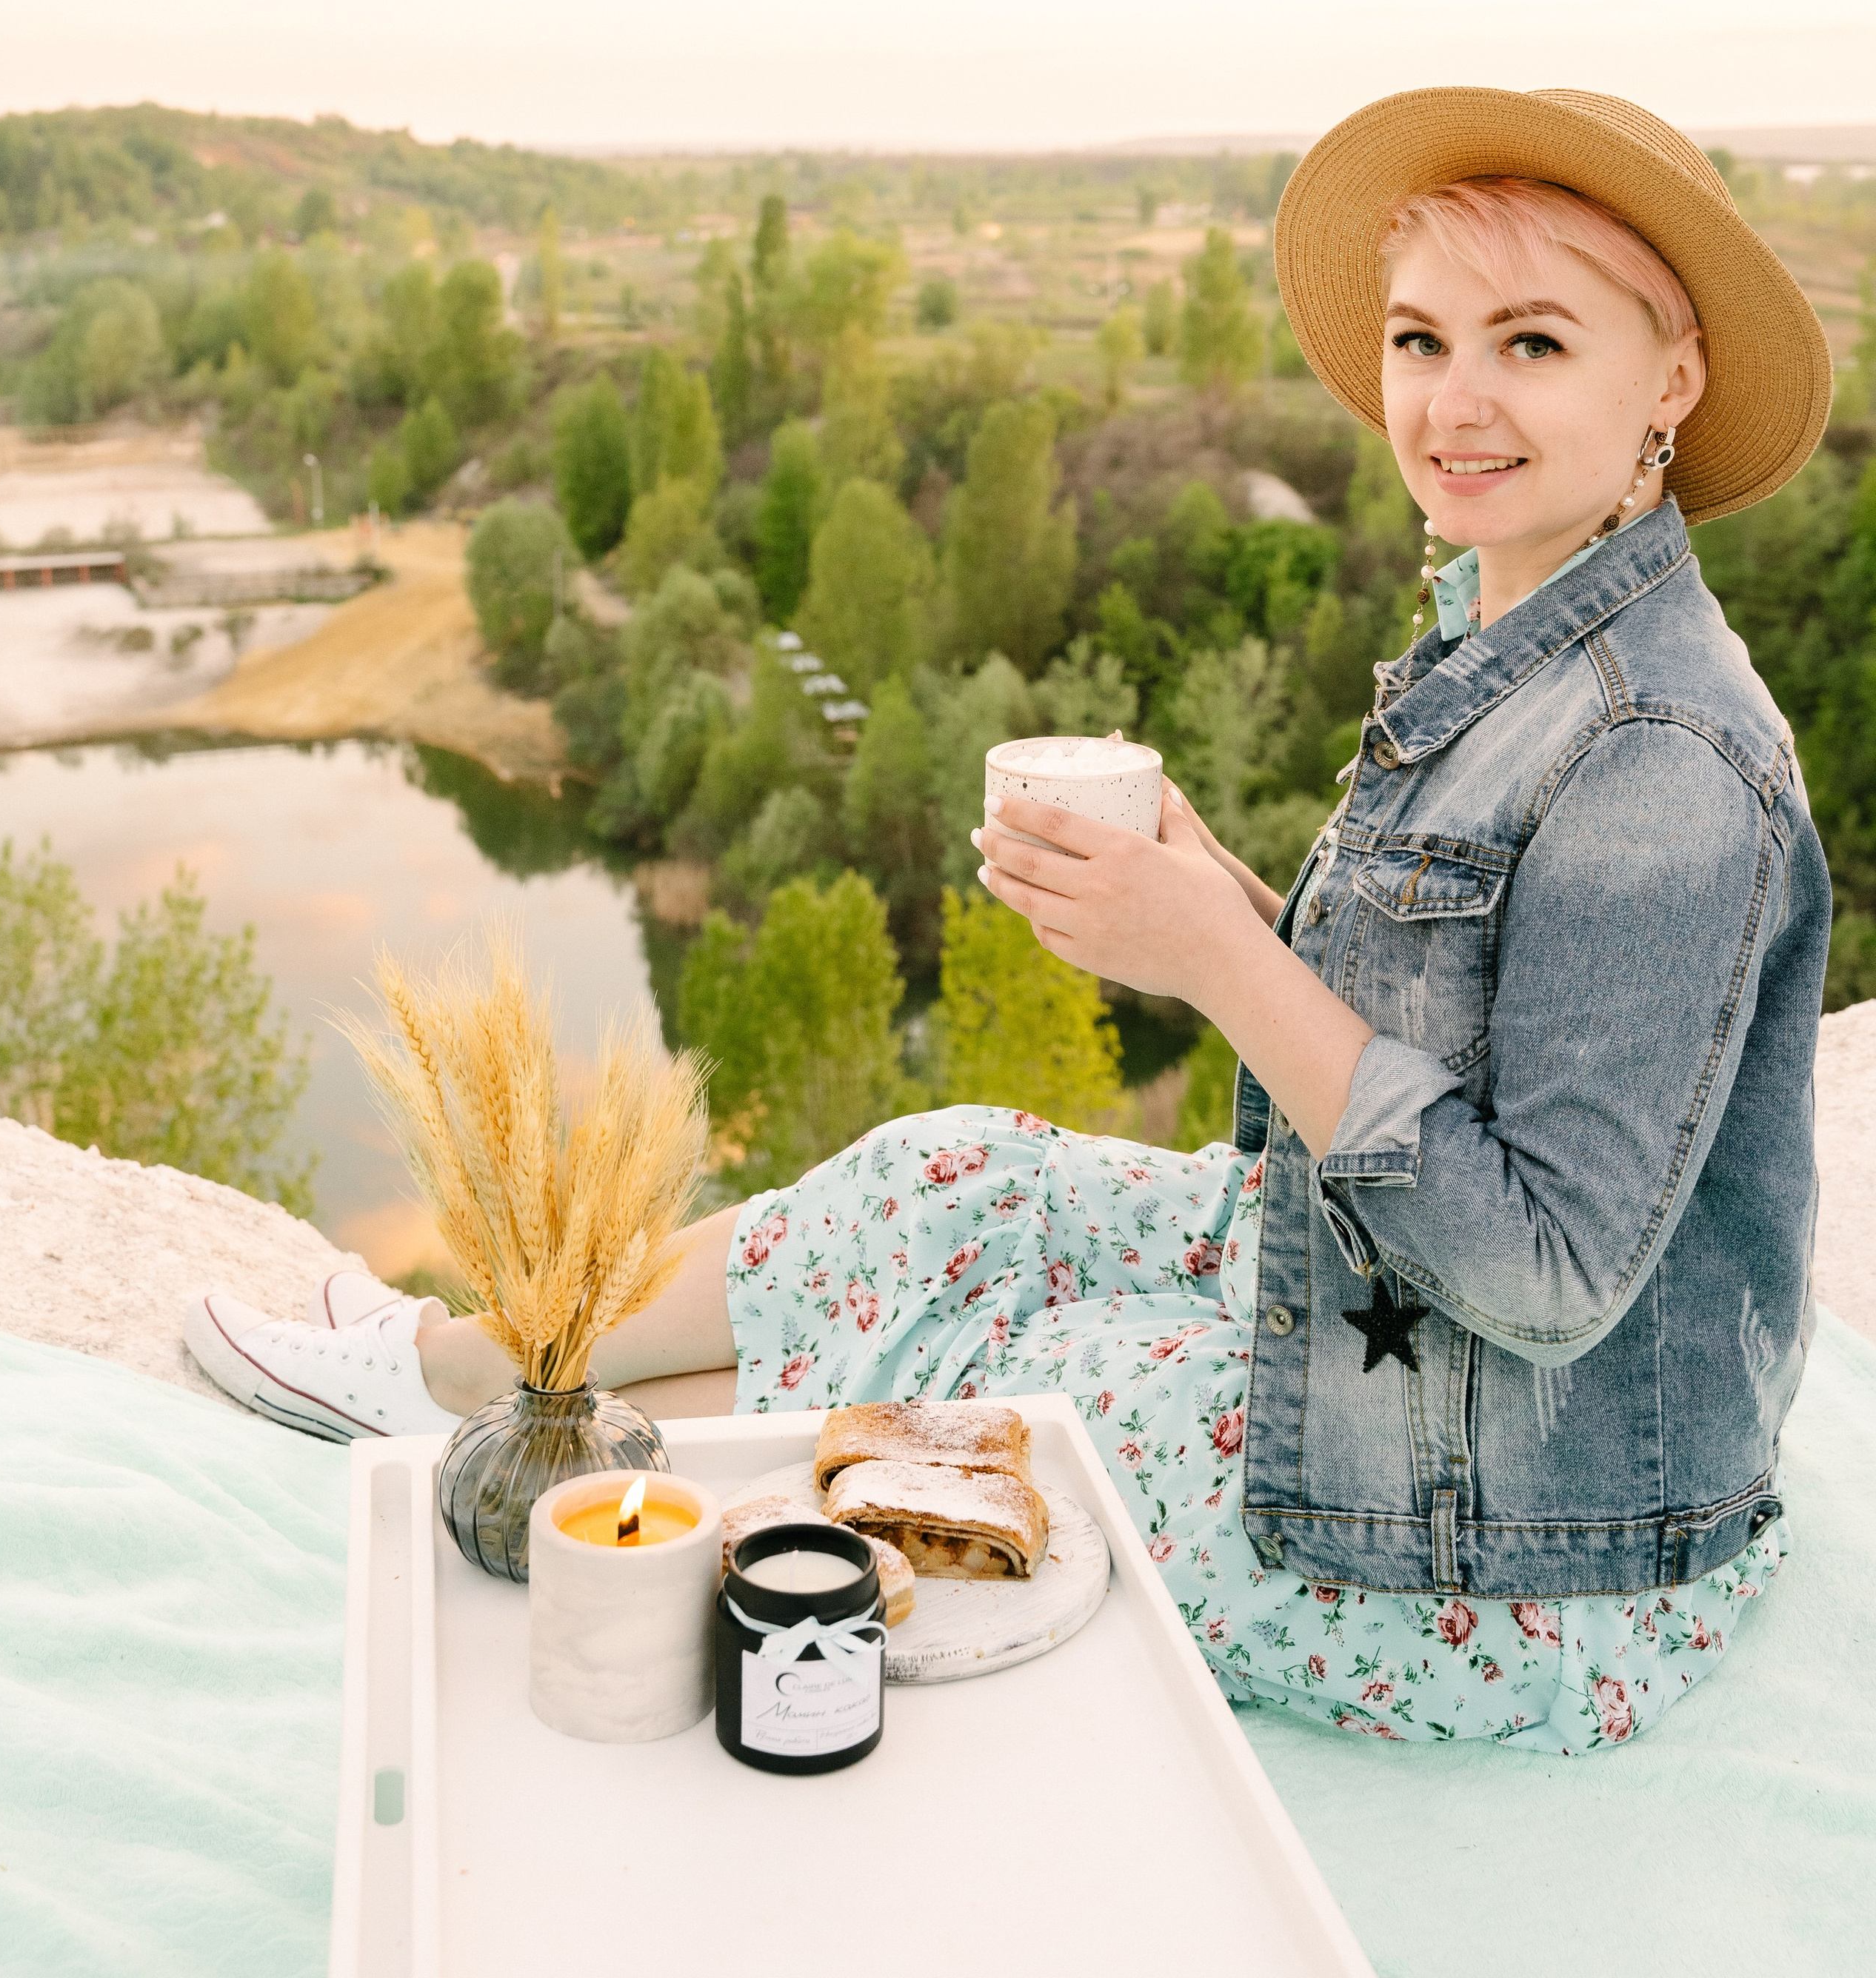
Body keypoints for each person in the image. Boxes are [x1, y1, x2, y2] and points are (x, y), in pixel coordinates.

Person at [189, 86, 1832, 1752]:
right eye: (1420, 339)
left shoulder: (1657, 756)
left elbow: (1544, 1268)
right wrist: (1223, 905)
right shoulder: (1520, 638)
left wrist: (1219, 959)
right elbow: (1454, 1030)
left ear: (1669, 377)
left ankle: (514, 1450)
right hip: (1421, 1349)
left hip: (1535, 1541)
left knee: (994, 1369)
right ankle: (480, 1371)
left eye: (1532, 344)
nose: (1452, 400)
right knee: (949, 1175)